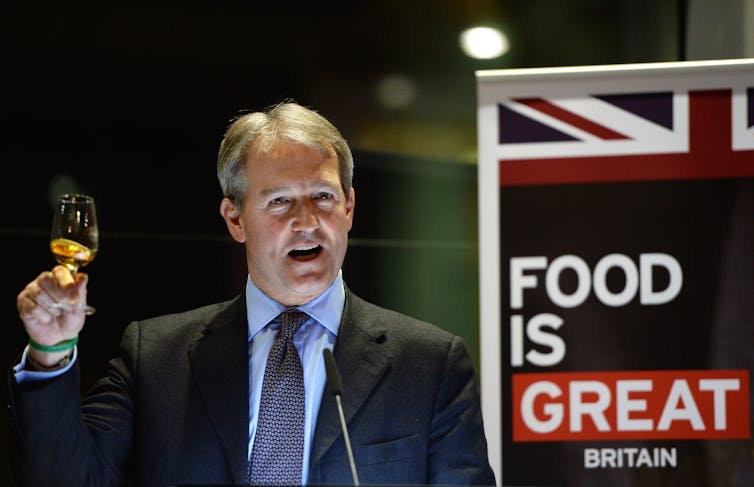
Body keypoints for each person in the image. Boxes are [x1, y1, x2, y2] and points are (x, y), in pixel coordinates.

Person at [10, 102, 495, 487]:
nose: (306, 221)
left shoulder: (430, 365)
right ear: (235, 218)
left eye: (323, 197)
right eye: (279, 200)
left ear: (349, 208)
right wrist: (51, 353)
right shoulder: (156, 358)